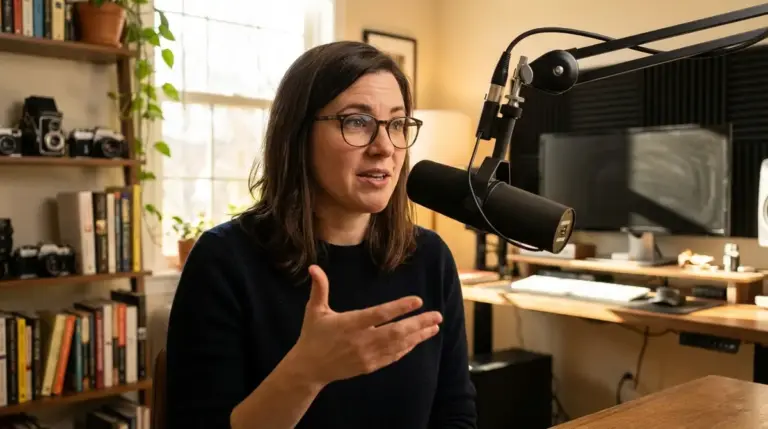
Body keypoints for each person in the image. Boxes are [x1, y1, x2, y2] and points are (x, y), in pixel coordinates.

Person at [164, 40, 477, 429]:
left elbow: (455, 414)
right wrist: (306, 373)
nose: (385, 148)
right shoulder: (223, 261)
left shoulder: (430, 256)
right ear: (298, 134)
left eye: (397, 124)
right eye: (357, 122)